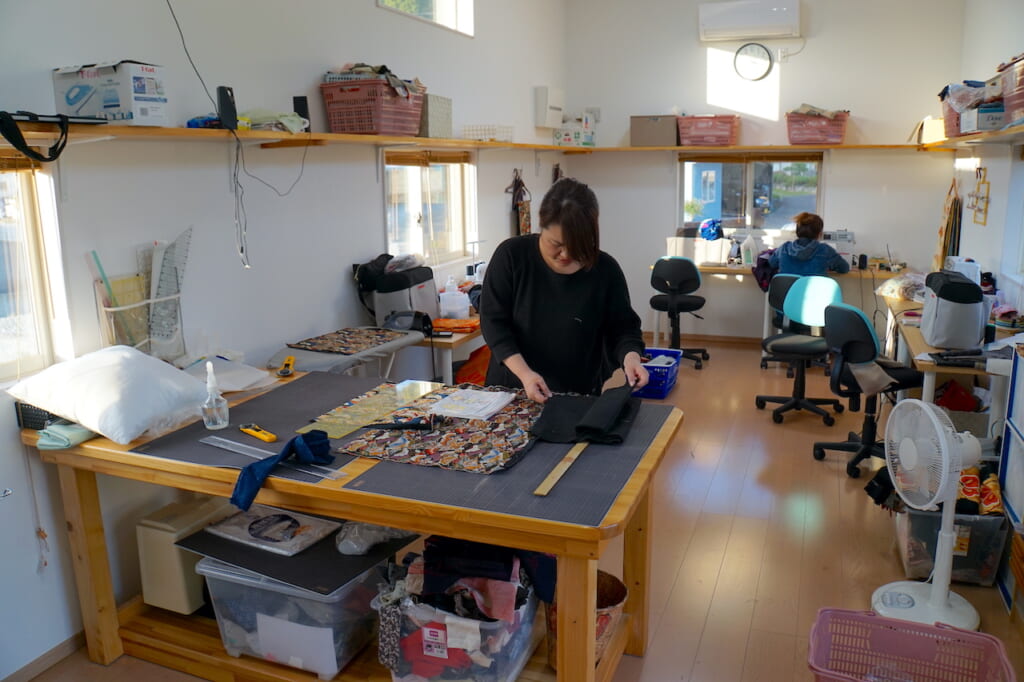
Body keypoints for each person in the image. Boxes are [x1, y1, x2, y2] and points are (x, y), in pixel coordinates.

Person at [480, 178, 649, 403]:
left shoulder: (606, 270)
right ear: (541, 225)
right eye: (556, 244)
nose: (566, 254)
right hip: (511, 392)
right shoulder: (511, 256)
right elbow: (493, 324)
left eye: (578, 244)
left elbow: (624, 329)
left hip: (577, 395)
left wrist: (631, 359)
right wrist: (526, 375)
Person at [768, 212, 850, 276]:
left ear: (797, 232)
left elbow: (772, 263)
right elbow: (844, 268)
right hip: (814, 297)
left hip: (787, 296)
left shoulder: (784, 248)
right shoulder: (825, 250)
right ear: (819, 234)